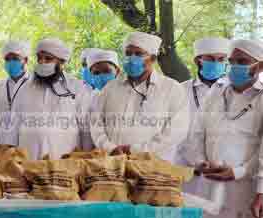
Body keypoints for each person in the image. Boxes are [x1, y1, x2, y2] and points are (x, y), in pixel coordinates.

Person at [181, 39, 263, 218]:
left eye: (242, 62)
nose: (234, 66)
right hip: (208, 185)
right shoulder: (216, 92)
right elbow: (197, 133)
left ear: (260, 66)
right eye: (232, 61)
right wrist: (200, 161)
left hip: (244, 188)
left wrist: (238, 172)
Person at [91, 32, 189, 162]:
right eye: (128, 53)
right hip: (113, 164)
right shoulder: (110, 88)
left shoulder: (172, 89)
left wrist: (136, 150)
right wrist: (110, 148)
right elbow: (95, 122)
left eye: (138, 54)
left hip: (153, 166)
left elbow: (177, 131)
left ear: (153, 58)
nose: (131, 58)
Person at [11, 38, 92, 160]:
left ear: (61, 62)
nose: (42, 62)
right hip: (29, 160)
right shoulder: (24, 88)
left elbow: (85, 129)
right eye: (39, 58)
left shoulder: (77, 87)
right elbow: (14, 124)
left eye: (48, 59)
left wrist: (85, 157)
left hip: (64, 162)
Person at [177, 37, 230, 198]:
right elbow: (175, 132)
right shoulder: (181, 90)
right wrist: (197, 160)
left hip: (224, 169)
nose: (216, 63)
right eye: (211, 59)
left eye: (221, 59)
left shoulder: (233, 90)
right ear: (198, 60)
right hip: (187, 168)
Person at [0, 40, 31, 147]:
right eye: (7, 59)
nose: (11, 62)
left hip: (27, 148)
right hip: (1, 147)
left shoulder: (35, 85)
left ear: (25, 60)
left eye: (15, 59)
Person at [83, 49, 122, 150]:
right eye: (96, 73)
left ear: (117, 71)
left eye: (106, 71)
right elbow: (94, 132)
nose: (101, 76)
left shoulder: (130, 94)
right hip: (102, 153)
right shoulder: (92, 99)